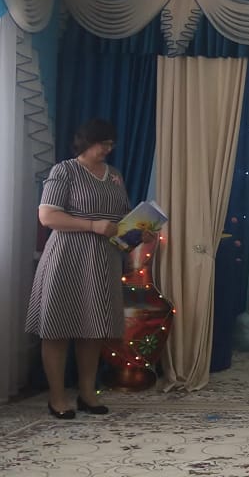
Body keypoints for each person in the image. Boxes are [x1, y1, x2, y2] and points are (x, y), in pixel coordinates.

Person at [25, 118, 155, 418]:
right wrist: (93, 225)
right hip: (67, 257)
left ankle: (87, 394)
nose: (108, 149)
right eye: (103, 143)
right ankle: (57, 398)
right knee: (56, 329)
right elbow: (48, 217)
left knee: (93, 329)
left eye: (111, 144)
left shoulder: (115, 175)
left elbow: (122, 220)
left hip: (103, 260)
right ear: (86, 141)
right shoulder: (64, 171)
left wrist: (140, 231)